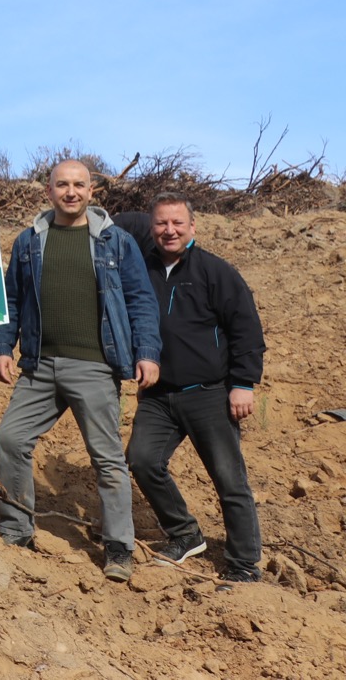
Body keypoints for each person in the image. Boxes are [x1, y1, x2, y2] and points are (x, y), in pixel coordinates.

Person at [0, 160, 160, 582]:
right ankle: (17, 530)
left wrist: (147, 353)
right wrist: (2, 348)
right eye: (62, 185)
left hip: (95, 366)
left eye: (79, 185)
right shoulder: (29, 241)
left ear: (92, 191)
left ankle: (119, 546)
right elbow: (11, 300)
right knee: (11, 438)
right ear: (48, 191)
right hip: (39, 365)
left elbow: (141, 300)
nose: (71, 192)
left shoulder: (116, 241)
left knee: (106, 459)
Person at [126, 194, 265, 584]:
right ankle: (186, 534)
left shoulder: (216, 272)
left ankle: (243, 564)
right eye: (160, 224)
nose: (169, 231)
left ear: (193, 227)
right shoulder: (140, 270)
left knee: (228, 478)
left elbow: (246, 330)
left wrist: (242, 384)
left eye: (177, 224)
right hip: (157, 394)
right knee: (141, 460)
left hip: (209, 393)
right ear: (150, 227)